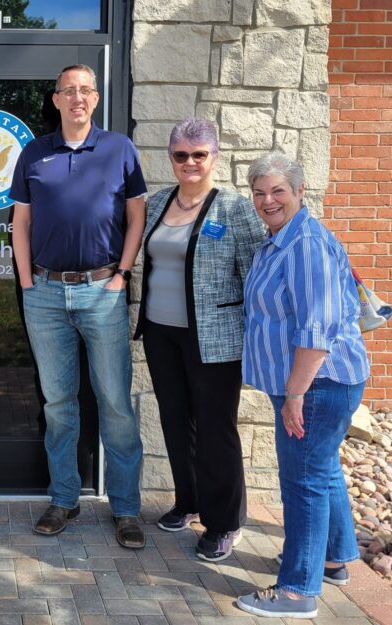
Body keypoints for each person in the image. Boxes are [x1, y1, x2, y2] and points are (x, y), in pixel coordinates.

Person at [10, 64, 147, 549]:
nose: (77, 98)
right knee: (58, 404)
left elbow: (137, 218)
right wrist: (27, 283)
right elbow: (20, 223)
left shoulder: (118, 150)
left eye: (85, 90)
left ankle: (127, 509)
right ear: (55, 99)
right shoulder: (34, 153)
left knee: (114, 402)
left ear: (94, 98)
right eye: (68, 91)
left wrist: (122, 275)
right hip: (45, 294)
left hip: (101, 291)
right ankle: (63, 498)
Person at [236, 152, 370, 619]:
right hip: (314, 385)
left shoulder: (305, 244)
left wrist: (295, 394)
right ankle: (333, 560)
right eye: (259, 192)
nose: (267, 200)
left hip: (316, 385)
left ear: (299, 192)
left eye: (277, 191)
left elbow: (316, 330)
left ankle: (296, 591)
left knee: (303, 481)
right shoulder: (279, 239)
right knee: (322, 469)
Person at [133, 118, 264, 561]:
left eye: (199, 154)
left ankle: (225, 521)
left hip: (216, 338)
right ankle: (188, 502)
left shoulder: (234, 209)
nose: (190, 162)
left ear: (214, 157)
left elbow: (254, 276)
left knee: (215, 428)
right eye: (181, 155)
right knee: (175, 420)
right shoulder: (156, 204)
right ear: (170, 158)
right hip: (161, 332)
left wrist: (258, 335)